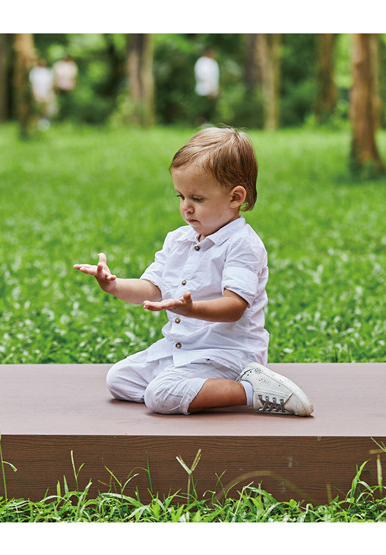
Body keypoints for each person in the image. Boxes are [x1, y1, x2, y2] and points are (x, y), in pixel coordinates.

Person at [73, 127, 314, 417]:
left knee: (159, 396)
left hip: (227, 353)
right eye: (180, 196)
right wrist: (113, 285)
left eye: (197, 199)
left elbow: (234, 307)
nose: (186, 208)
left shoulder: (242, 245)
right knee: (119, 380)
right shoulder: (178, 239)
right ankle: (197, 387)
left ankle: (254, 390)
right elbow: (153, 289)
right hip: (181, 348)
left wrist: (191, 309)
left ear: (236, 197)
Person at [194, 48, 219, 124]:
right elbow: (204, 76)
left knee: (210, 108)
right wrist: (210, 88)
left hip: (211, 89)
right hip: (204, 89)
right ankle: (202, 122)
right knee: (204, 108)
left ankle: (208, 122)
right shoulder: (203, 62)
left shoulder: (211, 62)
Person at [29, 59, 56, 129]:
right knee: (37, 108)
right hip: (38, 93)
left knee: (46, 109)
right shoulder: (34, 72)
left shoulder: (48, 72)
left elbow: (52, 83)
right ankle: (37, 122)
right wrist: (34, 93)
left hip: (46, 93)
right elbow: (32, 84)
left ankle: (45, 123)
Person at [52, 55, 78, 120]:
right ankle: (58, 116)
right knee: (58, 101)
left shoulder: (72, 66)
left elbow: (74, 78)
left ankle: (66, 115)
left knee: (67, 101)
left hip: (68, 87)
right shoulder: (59, 65)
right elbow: (56, 76)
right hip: (59, 86)